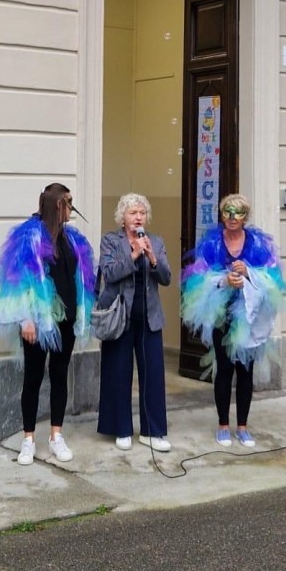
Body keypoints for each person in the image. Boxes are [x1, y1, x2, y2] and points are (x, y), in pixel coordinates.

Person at [0, 183, 95, 465]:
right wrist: (26, 319)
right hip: (39, 322)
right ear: (58, 204)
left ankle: (56, 436)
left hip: (67, 319)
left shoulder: (71, 239)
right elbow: (18, 280)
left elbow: (80, 278)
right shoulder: (30, 236)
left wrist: (82, 314)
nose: (72, 208)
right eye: (69, 202)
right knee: (33, 378)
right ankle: (28, 439)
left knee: (60, 374)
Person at [182, 194, 286, 447]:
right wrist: (224, 280)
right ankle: (222, 425)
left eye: (237, 212)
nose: (231, 217)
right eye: (227, 212)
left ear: (245, 216)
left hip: (250, 316)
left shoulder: (258, 244)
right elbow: (196, 279)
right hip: (222, 314)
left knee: (246, 369)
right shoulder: (213, 243)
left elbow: (274, 278)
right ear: (221, 214)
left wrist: (249, 272)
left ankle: (243, 426)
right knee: (225, 368)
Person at [96, 193, 172, 452]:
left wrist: (151, 256)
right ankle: (121, 429)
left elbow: (166, 277)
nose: (138, 217)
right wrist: (133, 254)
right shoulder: (110, 240)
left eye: (142, 212)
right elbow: (109, 273)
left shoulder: (156, 241)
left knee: (152, 373)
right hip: (120, 316)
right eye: (132, 213)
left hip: (149, 317)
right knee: (118, 373)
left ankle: (153, 431)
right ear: (122, 217)